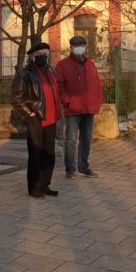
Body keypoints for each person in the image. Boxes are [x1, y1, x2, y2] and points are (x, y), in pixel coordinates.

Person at [11, 42, 62, 198]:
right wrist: (29, 113)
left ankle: (45, 184)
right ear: (32, 57)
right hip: (36, 119)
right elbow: (16, 98)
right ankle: (34, 187)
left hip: (51, 119)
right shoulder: (25, 73)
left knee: (49, 154)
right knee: (35, 154)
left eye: (45, 54)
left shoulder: (50, 71)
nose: (43, 57)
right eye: (39, 55)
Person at [55, 35, 102, 179]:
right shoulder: (63, 65)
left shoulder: (90, 64)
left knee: (86, 139)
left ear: (85, 47)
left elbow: (97, 83)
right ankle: (70, 170)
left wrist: (98, 101)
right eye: (76, 46)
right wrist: (68, 101)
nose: (79, 48)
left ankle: (84, 167)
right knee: (71, 140)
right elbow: (58, 85)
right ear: (71, 47)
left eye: (81, 45)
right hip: (73, 110)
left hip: (89, 109)